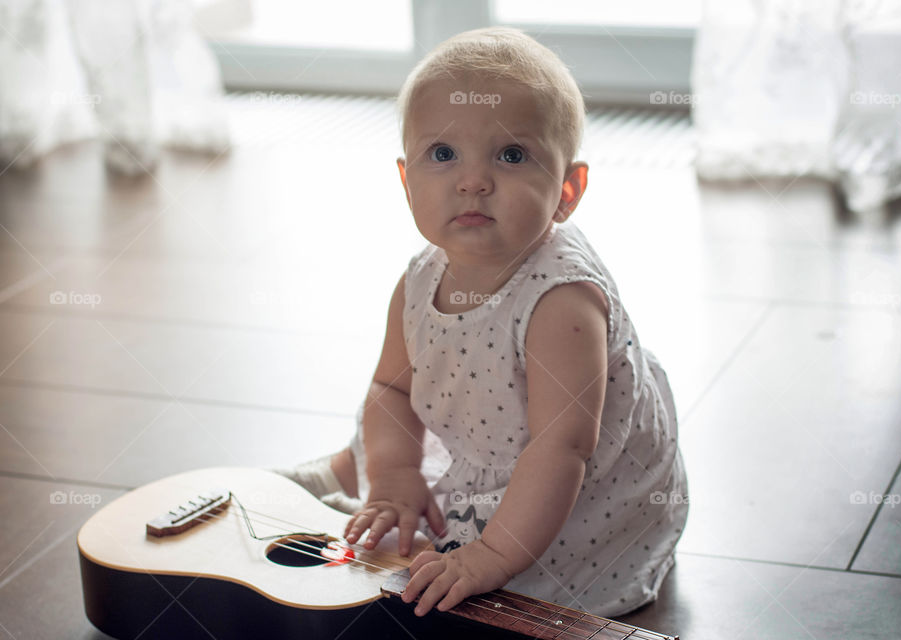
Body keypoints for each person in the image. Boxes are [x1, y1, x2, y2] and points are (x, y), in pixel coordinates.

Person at [277, 26, 688, 619]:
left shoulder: (561, 303)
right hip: (487, 432)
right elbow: (391, 389)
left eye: (512, 155)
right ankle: (348, 468)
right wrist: (394, 477)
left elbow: (561, 447)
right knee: (398, 442)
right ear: (405, 179)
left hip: (569, 487)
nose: (473, 180)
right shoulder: (421, 276)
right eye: (442, 155)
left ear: (568, 189)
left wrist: (490, 556)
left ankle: (370, 484)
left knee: (453, 578)